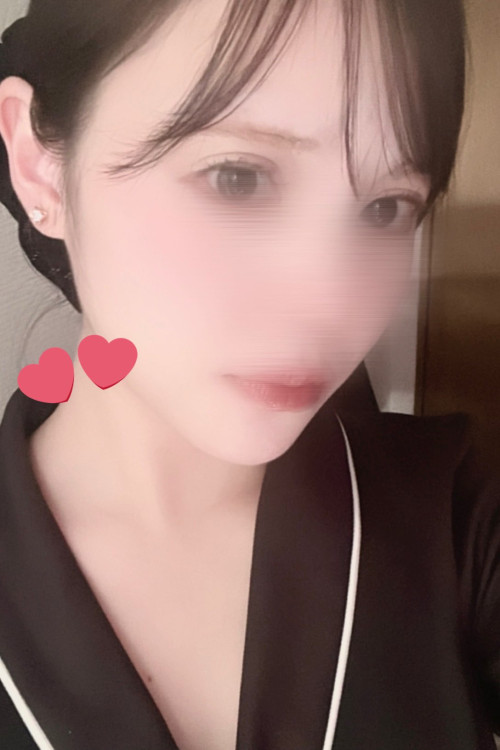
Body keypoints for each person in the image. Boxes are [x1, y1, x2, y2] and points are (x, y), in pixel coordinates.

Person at [0, 0, 498, 749]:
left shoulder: (455, 518)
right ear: (40, 167)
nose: (328, 302)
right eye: (238, 178)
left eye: (385, 208)